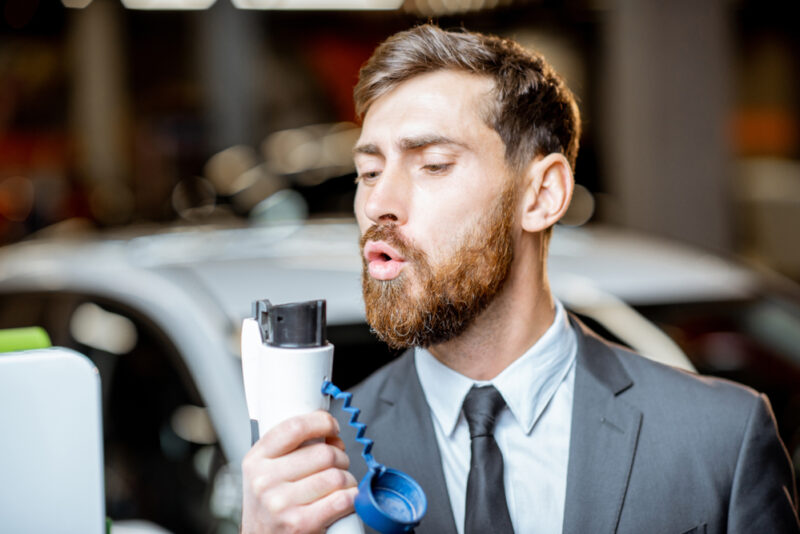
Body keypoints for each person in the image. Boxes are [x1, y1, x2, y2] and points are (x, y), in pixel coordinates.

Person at [241, 24, 799, 534]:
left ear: (542, 194)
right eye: (368, 172)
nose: (378, 203)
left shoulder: (720, 437)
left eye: (432, 164)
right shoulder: (312, 463)